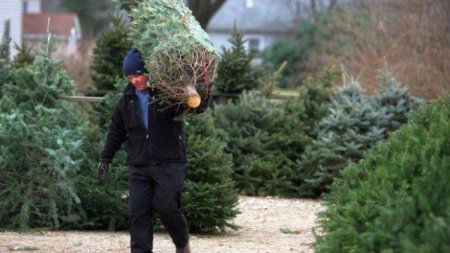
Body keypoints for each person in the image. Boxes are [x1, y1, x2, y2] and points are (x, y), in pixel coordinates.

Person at [97, 48, 209, 253]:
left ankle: (182, 243)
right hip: (139, 165)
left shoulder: (167, 94)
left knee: (167, 206)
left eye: (137, 75)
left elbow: (197, 107)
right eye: (130, 77)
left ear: (148, 72)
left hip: (170, 162)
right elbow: (116, 131)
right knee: (138, 213)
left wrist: (201, 87)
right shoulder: (127, 99)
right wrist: (106, 158)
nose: (134, 81)